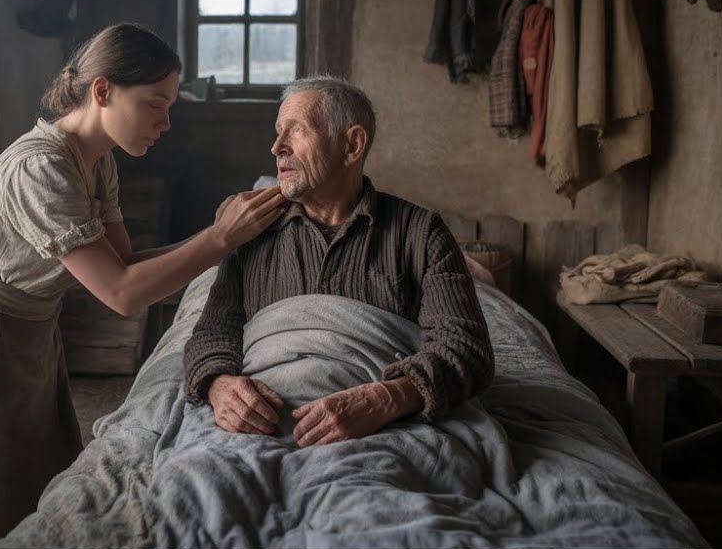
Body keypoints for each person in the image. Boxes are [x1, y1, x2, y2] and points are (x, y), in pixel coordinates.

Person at [0, 22, 287, 549]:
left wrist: (225, 238)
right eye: (155, 104)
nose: (165, 123)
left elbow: (126, 263)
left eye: (169, 107)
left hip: (26, 333)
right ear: (103, 91)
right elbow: (121, 293)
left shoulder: (97, 161)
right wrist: (220, 238)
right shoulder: (41, 167)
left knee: (24, 490)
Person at [183, 77, 494, 447]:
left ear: (352, 145)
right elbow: (212, 333)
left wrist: (386, 399)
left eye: (296, 130)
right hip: (259, 429)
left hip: (382, 431)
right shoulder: (251, 229)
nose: (277, 147)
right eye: (278, 132)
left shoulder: (420, 231)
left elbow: (465, 349)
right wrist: (219, 385)